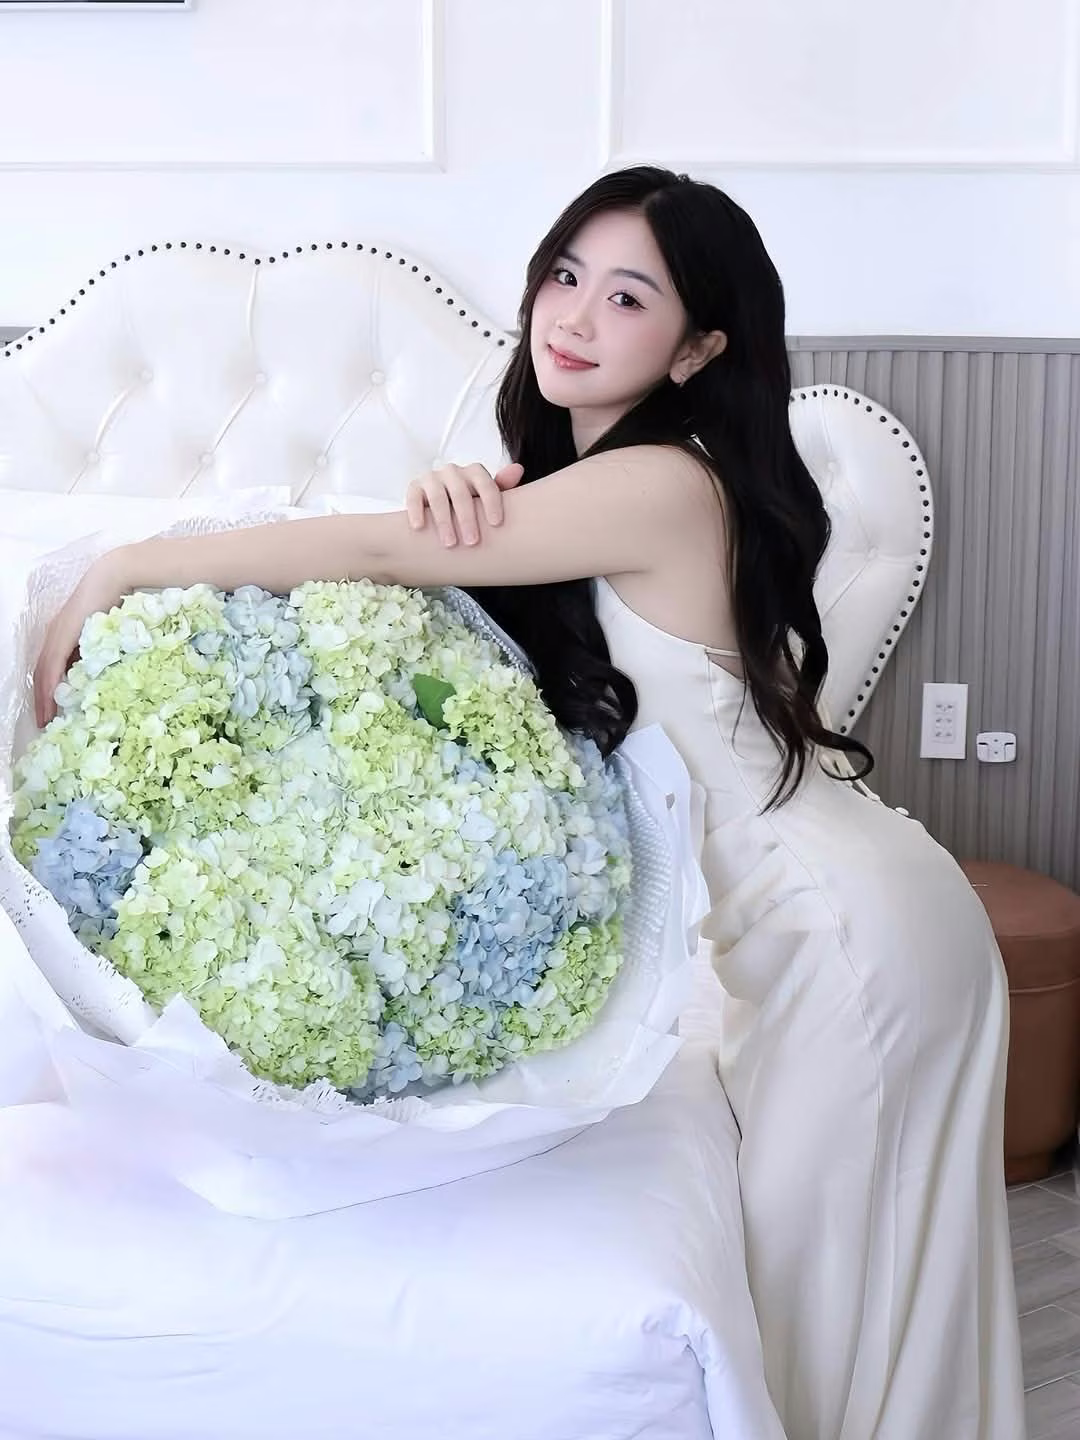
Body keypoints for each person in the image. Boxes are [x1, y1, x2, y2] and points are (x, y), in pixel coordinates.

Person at [34, 166, 1026, 1438]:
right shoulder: (605, 483)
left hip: (846, 932)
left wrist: (129, 564)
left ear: (698, 348)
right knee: (859, 1288)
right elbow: (465, 608)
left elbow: (380, 553)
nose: (575, 315)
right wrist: (474, 505)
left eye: (629, 298)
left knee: (840, 1293)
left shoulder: (663, 482)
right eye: (566, 275)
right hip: (828, 919)